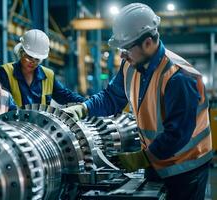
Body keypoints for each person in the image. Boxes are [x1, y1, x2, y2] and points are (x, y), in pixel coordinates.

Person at [63, 3, 212, 200]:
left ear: (148, 43)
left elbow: (177, 133)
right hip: (157, 161)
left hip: (186, 168)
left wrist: (142, 158)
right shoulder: (131, 64)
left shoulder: (178, 78)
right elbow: (111, 98)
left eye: (126, 48)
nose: (121, 55)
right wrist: (84, 108)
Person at [0, 29, 86, 107]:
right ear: (21, 52)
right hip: (11, 123)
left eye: (37, 59)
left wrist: (88, 103)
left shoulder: (48, 75)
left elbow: (65, 96)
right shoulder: (5, 72)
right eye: (29, 57)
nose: (33, 62)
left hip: (39, 124)